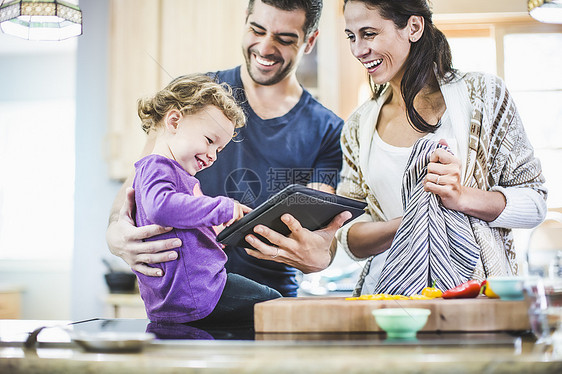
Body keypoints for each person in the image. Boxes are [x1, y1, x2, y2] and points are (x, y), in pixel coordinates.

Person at [106, 0, 350, 298]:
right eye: (257, 29)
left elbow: (322, 230)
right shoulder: (195, 96)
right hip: (184, 296)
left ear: (310, 40)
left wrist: (321, 254)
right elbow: (134, 191)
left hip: (270, 302)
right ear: (245, 19)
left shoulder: (327, 129)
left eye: (284, 39)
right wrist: (115, 235)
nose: (265, 47)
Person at [336, 0, 548, 296]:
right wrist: (415, 221)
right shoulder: (358, 126)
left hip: (475, 297)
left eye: (369, 34)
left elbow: (535, 203)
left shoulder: (484, 97)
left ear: (413, 27)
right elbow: (348, 235)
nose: (358, 50)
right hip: (388, 301)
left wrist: (461, 197)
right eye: (351, 36)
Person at [132, 74, 281, 326]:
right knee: (274, 304)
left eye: (219, 150)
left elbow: (179, 225)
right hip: (198, 295)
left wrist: (211, 234)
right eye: (210, 141)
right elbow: (161, 207)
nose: (213, 156)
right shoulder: (157, 166)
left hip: (188, 297)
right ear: (174, 121)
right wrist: (222, 207)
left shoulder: (174, 173)